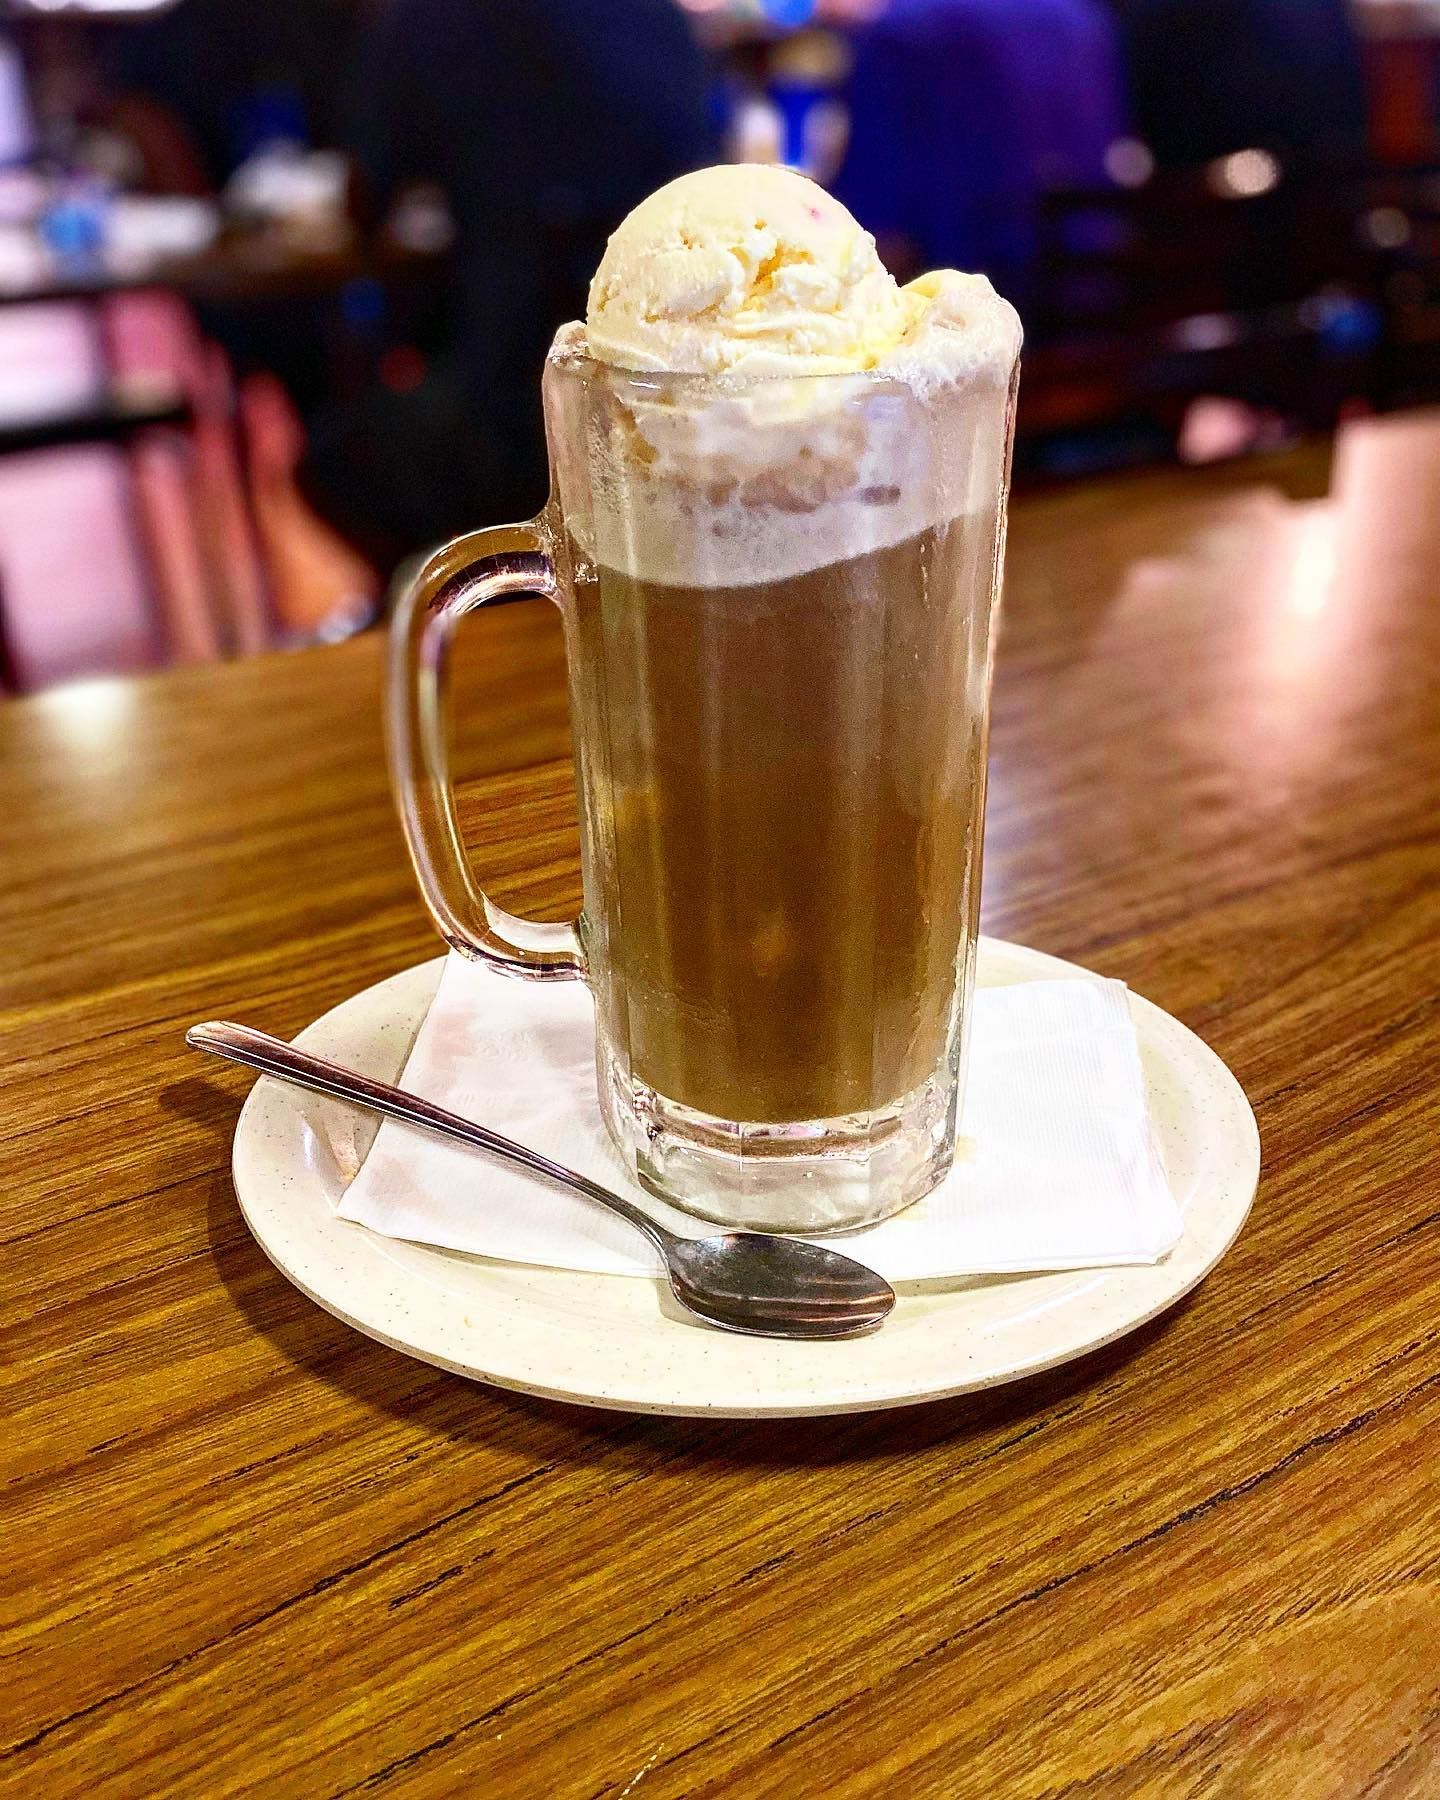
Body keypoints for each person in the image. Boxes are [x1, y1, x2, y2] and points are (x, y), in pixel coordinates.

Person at [312, 0, 718, 560]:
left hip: (498, 406)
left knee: (326, 450)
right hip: (679, 413)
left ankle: (456, 607)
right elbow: (705, 169)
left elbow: (364, 205)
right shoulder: (658, 18)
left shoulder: (423, 20)